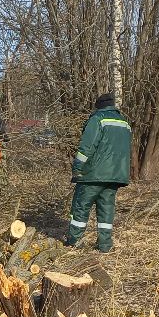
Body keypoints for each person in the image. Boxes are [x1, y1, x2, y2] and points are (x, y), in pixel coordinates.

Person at [65, 93, 132, 252]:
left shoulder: (97, 119)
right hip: (115, 176)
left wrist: (77, 168)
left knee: (81, 207)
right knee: (106, 209)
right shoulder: (125, 123)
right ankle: (105, 245)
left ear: (98, 105)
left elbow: (87, 147)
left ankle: (74, 241)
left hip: (93, 174)